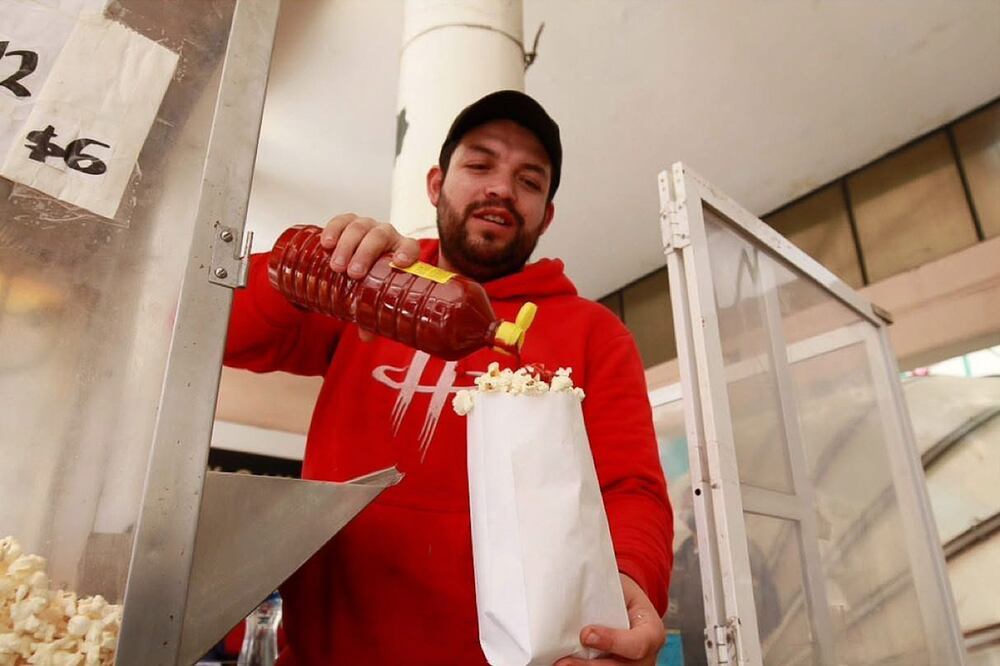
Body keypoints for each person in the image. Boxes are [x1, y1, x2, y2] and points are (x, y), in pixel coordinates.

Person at [224, 90, 674, 665]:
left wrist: (631, 579)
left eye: (529, 180)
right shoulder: (368, 289)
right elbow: (217, 333)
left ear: (546, 215)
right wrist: (315, 265)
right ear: (436, 185)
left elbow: (631, 490)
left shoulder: (596, 333)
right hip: (324, 652)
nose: (501, 188)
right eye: (480, 164)